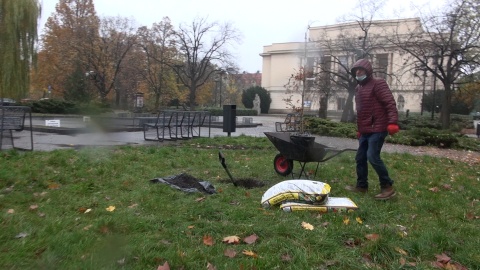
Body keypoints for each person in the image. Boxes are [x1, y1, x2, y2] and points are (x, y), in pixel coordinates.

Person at [346, 58, 399, 200]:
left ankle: (387, 187)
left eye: (361, 69)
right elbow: (361, 111)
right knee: (360, 157)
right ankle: (361, 186)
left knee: (372, 156)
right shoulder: (358, 88)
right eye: (356, 70)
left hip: (378, 127)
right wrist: (360, 129)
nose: (358, 72)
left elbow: (389, 103)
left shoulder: (378, 83)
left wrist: (393, 122)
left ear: (368, 71)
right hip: (365, 130)